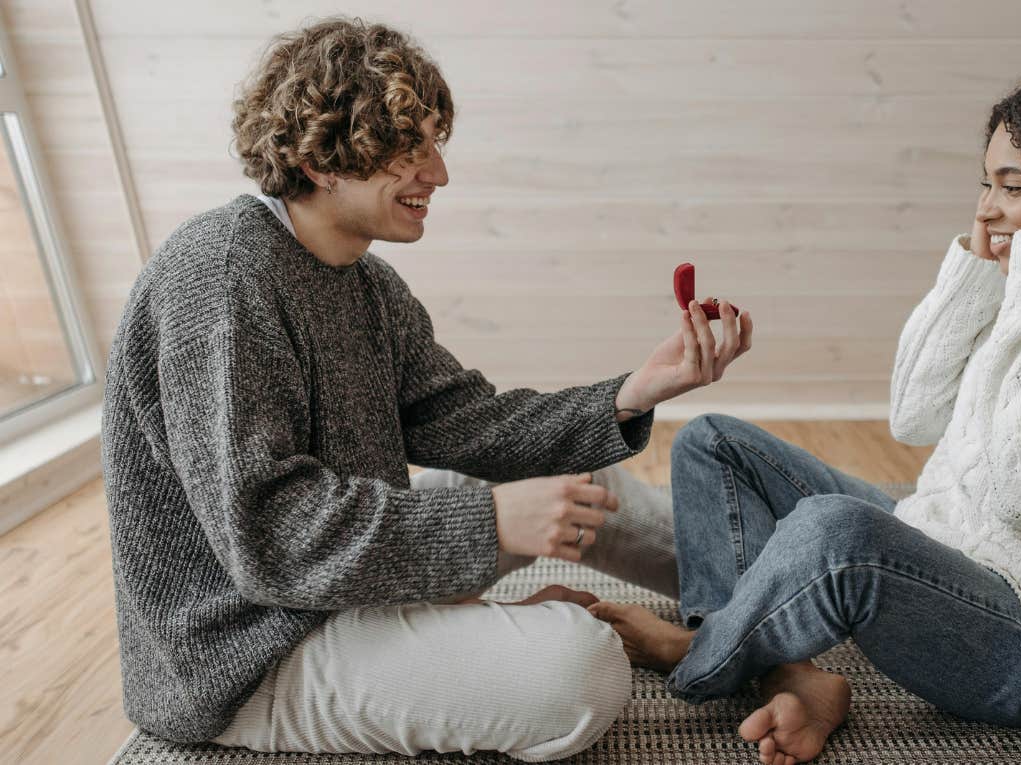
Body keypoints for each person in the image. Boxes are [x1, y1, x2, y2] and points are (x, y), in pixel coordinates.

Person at [100, 17, 753, 762]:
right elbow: (271, 535)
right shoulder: (218, 278)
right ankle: (526, 627)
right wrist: (489, 523)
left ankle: (756, 606)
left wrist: (634, 391)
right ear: (322, 159)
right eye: (409, 148)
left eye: (433, 144)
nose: (438, 173)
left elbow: (468, 424)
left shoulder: (369, 285)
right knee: (581, 666)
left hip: (342, 590)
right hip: (253, 654)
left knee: (573, 480)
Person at [590, 57, 1021, 765]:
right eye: (984, 184)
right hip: (949, 545)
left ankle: (703, 656)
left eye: (1012, 187)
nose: (987, 207)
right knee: (712, 441)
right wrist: (976, 269)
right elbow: (914, 413)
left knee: (833, 532)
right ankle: (788, 671)